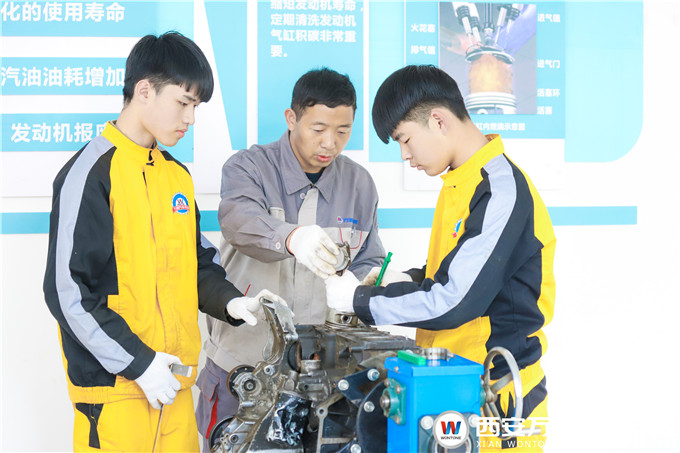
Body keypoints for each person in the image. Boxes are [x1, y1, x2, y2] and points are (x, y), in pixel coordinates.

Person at [43, 31, 282, 452]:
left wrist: (231, 302)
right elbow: (68, 293)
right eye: (183, 103)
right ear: (145, 91)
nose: (190, 118)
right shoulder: (91, 174)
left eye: (196, 107)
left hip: (174, 387)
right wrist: (139, 364)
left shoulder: (175, 176)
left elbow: (197, 263)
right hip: (116, 394)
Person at [325, 65, 555, 452]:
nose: (405, 155)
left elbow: (455, 300)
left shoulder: (499, 190)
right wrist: (404, 278)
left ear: (438, 120)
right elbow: (462, 273)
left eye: (405, 139)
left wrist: (360, 301)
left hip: (494, 402)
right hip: (450, 387)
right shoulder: (460, 183)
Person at [195, 68, 386, 448]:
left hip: (322, 379)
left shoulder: (359, 185)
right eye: (318, 129)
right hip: (243, 370)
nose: (330, 143)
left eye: (343, 131)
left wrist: (362, 281)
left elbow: (369, 257)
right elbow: (238, 220)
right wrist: (292, 238)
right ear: (291, 118)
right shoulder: (248, 168)